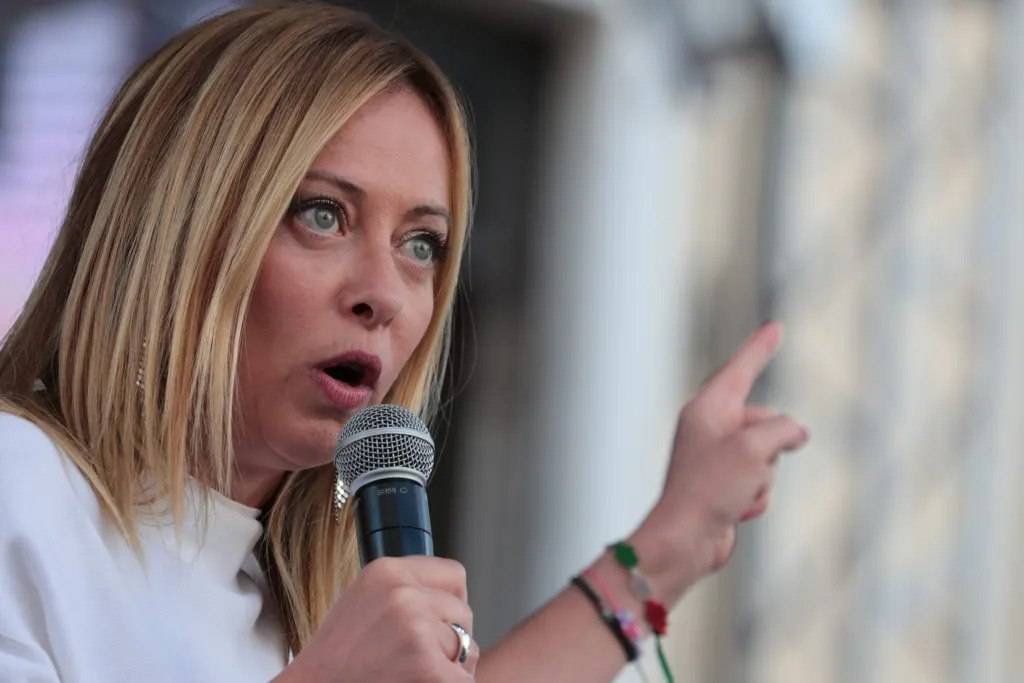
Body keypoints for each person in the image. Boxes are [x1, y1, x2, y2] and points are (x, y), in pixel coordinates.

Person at [0, 3, 810, 681]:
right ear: (183, 225)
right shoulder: (22, 487)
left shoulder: (283, 613)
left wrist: (670, 543)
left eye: (420, 244)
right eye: (323, 214)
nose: (383, 295)